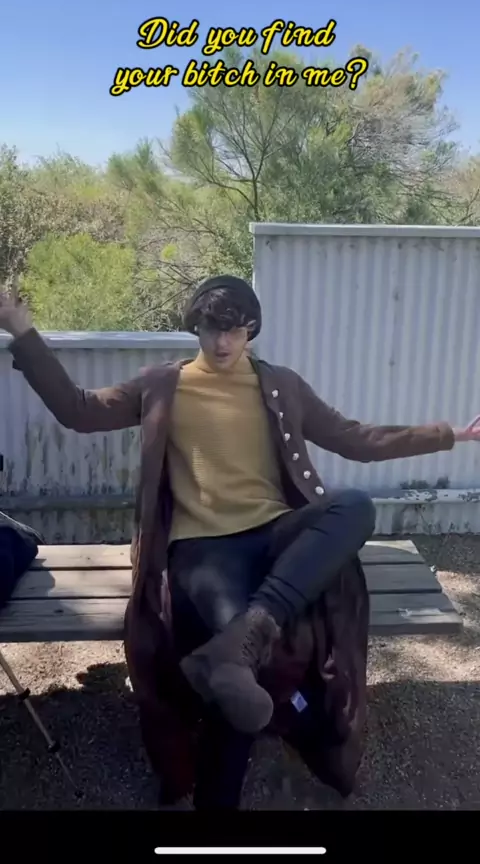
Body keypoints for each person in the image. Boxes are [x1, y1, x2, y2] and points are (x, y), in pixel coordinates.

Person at [1, 275, 479, 808]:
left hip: (274, 532)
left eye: (233, 330)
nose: (222, 342)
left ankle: (249, 635)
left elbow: (356, 438)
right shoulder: (163, 385)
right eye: (211, 330)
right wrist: (22, 331)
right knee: (242, 677)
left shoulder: (281, 385)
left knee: (354, 507)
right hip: (203, 551)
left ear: (251, 328)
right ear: (196, 329)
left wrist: (450, 435)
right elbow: (79, 410)